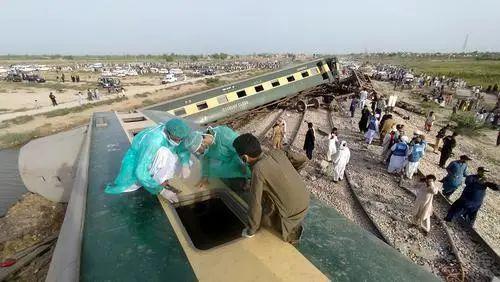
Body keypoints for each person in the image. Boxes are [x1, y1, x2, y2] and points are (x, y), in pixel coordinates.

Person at [233, 133, 309, 243]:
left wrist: (250, 230)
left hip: (292, 213)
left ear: (245, 158)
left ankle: (290, 236)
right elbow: (303, 159)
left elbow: (255, 203)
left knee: (265, 220)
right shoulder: (276, 152)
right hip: (305, 201)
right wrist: (291, 175)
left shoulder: (258, 169)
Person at [105, 119, 192, 202]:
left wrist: (185, 164)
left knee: (176, 156)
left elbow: (181, 148)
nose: (179, 141)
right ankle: (158, 183)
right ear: (168, 133)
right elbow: (140, 171)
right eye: (176, 138)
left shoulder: (170, 131)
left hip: (149, 161)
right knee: (164, 153)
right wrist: (161, 191)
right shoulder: (155, 141)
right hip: (137, 168)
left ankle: (161, 181)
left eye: (180, 139)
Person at [184, 126, 251, 191]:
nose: (199, 153)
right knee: (236, 185)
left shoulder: (224, 134)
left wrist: (245, 166)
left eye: (199, 150)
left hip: (241, 159)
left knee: (252, 177)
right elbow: (205, 159)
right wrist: (205, 177)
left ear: (203, 142)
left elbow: (242, 150)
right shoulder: (206, 147)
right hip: (229, 163)